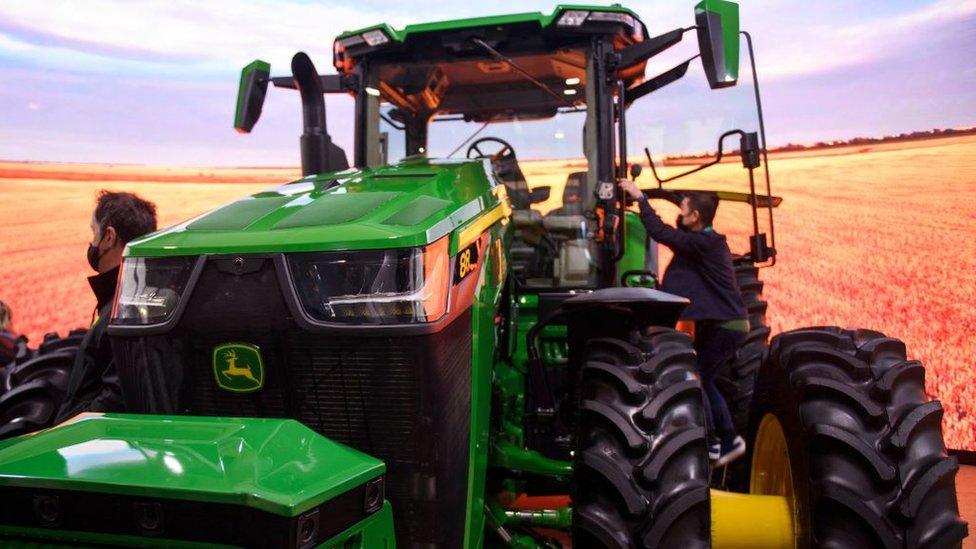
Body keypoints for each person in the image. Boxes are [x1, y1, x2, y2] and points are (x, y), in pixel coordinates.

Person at [619, 180, 749, 466]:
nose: (681, 213)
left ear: (696, 218)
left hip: (727, 326)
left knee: (699, 379)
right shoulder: (703, 240)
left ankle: (715, 441)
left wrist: (641, 198)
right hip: (723, 324)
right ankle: (726, 441)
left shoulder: (704, 243)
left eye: (684, 209)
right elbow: (676, 228)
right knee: (706, 379)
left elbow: (660, 232)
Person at [55, 190, 157, 422]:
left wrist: (63, 430)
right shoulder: (136, 293)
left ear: (109, 237)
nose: (92, 243)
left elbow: (116, 400)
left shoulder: (125, 308)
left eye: (94, 232)